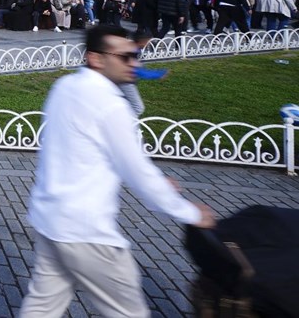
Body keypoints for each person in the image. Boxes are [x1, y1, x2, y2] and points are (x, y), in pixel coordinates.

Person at [17, 25, 214, 317]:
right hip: (88, 232)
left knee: (42, 306)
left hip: (51, 220)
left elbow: (82, 149)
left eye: (134, 55)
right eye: (124, 57)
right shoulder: (111, 105)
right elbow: (136, 169)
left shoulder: (65, 87)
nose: (134, 63)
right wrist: (190, 212)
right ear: (95, 58)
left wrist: (155, 181)